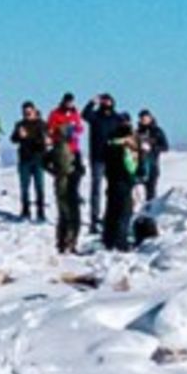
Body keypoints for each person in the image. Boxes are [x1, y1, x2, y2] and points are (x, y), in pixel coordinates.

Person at [101, 112, 139, 251]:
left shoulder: (111, 140)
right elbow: (129, 163)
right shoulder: (122, 143)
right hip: (121, 179)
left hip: (114, 179)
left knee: (112, 210)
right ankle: (120, 242)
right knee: (123, 212)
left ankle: (109, 240)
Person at [83, 92, 119, 229]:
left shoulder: (116, 118)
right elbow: (84, 114)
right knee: (96, 189)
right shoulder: (95, 117)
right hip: (97, 157)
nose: (106, 103)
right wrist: (92, 102)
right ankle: (94, 217)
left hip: (113, 158)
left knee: (112, 189)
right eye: (103, 101)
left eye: (108, 101)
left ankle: (109, 216)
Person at [10, 101, 48, 222]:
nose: (27, 114)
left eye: (29, 112)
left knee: (39, 187)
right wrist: (18, 135)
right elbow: (13, 139)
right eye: (24, 112)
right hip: (24, 159)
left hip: (38, 159)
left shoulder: (42, 124)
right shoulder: (20, 124)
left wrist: (29, 137)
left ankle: (40, 212)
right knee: (24, 187)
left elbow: (45, 141)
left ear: (34, 111)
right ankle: (25, 211)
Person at [51, 127, 84, 254]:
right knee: (72, 216)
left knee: (64, 215)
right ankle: (70, 243)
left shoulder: (57, 148)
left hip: (63, 184)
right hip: (68, 185)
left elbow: (45, 161)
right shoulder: (67, 148)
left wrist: (54, 172)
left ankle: (62, 243)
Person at [133, 109, 170, 203]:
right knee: (134, 191)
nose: (144, 120)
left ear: (150, 118)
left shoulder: (157, 131)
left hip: (152, 165)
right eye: (142, 118)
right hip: (139, 165)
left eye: (146, 118)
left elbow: (165, 147)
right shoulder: (137, 132)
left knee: (151, 192)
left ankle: (150, 213)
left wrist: (152, 147)